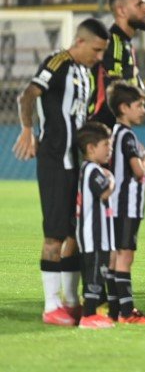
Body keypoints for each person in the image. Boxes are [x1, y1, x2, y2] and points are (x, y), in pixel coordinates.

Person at [13, 18, 109, 326]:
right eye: (96, 50)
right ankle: (51, 305)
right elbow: (28, 94)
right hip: (55, 160)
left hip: (77, 162)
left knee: (74, 234)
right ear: (80, 42)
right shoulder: (58, 62)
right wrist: (28, 129)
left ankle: (70, 301)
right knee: (54, 234)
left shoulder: (85, 71)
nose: (98, 57)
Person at [105, 82, 145, 324]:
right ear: (124, 108)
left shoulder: (115, 133)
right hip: (127, 205)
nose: (143, 110)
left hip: (116, 205)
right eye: (139, 105)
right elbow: (138, 171)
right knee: (125, 257)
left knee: (115, 257)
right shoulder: (127, 135)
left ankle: (114, 310)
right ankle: (127, 313)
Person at [74, 121, 117, 328]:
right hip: (94, 235)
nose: (109, 150)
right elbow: (106, 191)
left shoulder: (90, 169)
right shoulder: (92, 170)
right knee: (93, 276)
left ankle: (93, 312)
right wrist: (112, 179)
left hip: (97, 235)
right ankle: (88, 316)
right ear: (91, 148)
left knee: (96, 275)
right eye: (106, 145)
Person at [90, 0, 145, 127]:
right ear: (121, 10)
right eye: (139, 4)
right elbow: (113, 93)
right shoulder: (114, 43)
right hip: (100, 132)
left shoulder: (124, 44)